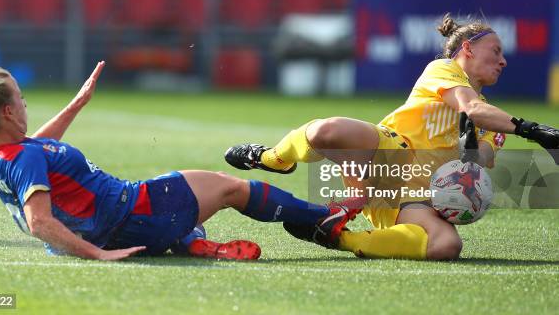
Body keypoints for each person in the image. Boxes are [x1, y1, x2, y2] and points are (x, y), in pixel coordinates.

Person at [225, 14, 559, 260]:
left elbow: (482, 161)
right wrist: (532, 130)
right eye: (496, 51)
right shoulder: (443, 69)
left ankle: (336, 236)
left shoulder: (491, 115)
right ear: (467, 49)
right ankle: (272, 159)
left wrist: (470, 150)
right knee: (327, 130)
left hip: (412, 197)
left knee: (446, 245)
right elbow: (469, 107)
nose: (502, 61)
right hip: (385, 155)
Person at [0, 61, 357, 261]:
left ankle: (191, 241)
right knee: (229, 186)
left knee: (186, 202)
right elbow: (39, 223)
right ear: (5, 112)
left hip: (118, 224)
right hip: (134, 215)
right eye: (20, 97)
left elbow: (34, 150)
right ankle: (323, 215)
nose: (24, 102)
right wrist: (98, 255)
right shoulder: (22, 158)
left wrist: (75, 105)